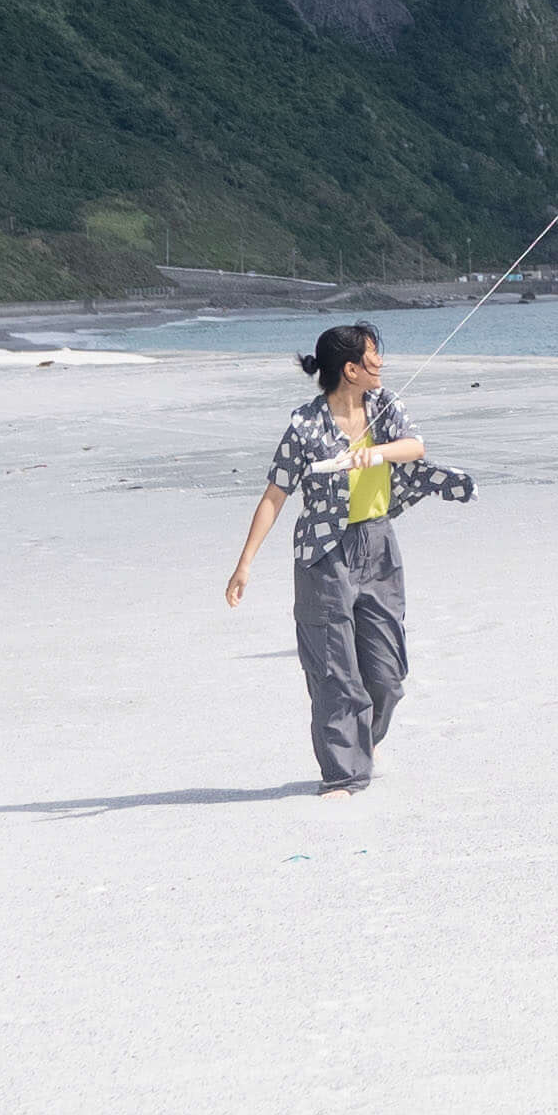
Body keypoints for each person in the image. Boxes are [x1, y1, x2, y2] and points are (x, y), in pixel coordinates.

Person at [226, 322, 428, 791]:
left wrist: (375, 456)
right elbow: (275, 493)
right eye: (373, 356)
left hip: (378, 547)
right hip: (323, 556)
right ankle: (344, 778)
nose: (381, 364)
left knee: (386, 675)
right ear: (351, 369)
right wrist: (245, 564)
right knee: (335, 674)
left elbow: (415, 447)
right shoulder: (304, 425)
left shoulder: (386, 406)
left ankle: (364, 744)